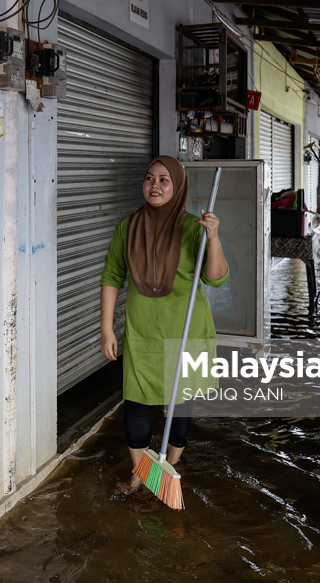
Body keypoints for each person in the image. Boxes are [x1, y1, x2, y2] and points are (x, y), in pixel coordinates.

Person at [99, 156, 229, 493]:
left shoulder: (192, 228)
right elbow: (112, 276)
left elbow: (216, 279)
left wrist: (213, 239)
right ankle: (140, 474)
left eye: (164, 180)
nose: (155, 185)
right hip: (142, 334)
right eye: (149, 178)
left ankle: (170, 464)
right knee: (137, 405)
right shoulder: (126, 228)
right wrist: (106, 328)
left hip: (185, 333)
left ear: (178, 186)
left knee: (180, 403)